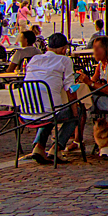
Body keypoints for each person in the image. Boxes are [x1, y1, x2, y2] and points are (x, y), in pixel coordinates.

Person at [23, 33, 79, 165]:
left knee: (48, 110)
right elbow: (70, 89)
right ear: (64, 49)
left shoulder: (35, 59)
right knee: (75, 112)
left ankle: (39, 146)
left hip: (27, 111)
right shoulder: (65, 60)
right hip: (49, 112)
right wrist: (75, 107)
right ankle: (57, 147)